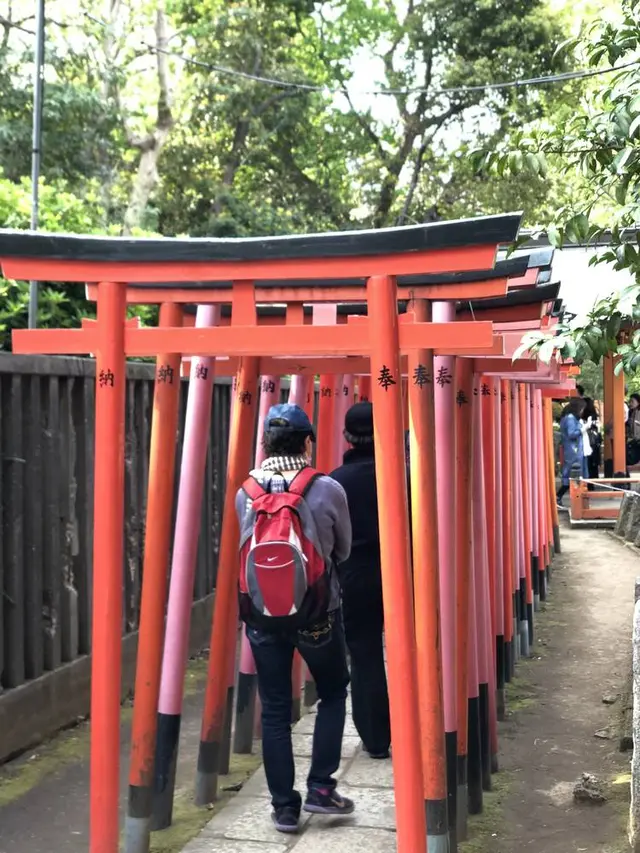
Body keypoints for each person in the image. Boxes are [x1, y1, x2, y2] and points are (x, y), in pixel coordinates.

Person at [236, 403, 354, 834]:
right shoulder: (326, 489)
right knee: (334, 692)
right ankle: (322, 787)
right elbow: (342, 551)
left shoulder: (244, 493)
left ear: (266, 442)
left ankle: (285, 807)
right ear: (308, 441)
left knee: (275, 709)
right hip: (317, 612)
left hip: (263, 615)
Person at [330, 402, 391, 760]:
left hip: (354, 573)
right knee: (409, 653)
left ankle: (376, 738)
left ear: (347, 437)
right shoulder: (402, 472)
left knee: (364, 654)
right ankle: (418, 723)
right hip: (404, 571)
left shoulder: (336, 481)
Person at [556, 397, 587, 507]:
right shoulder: (570, 418)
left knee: (571, 475)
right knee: (573, 475)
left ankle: (563, 498)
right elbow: (571, 433)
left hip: (571, 449)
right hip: (573, 450)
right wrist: (583, 429)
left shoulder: (568, 417)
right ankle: (559, 497)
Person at [581, 396, 602, 482]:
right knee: (594, 462)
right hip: (595, 439)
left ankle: (589, 482)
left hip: (588, 439)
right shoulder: (594, 414)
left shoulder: (584, 416)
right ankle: (594, 481)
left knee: (588, 462)